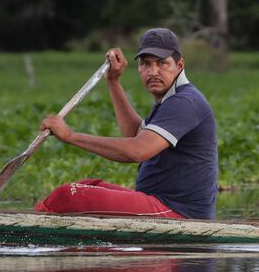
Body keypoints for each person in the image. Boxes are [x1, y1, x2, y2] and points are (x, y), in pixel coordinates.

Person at [36, 28, 218, 219]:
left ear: (179, 65)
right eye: (145, 64)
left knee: (69, 195)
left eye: (162, 63)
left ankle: (30, 231)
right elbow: (134, 134)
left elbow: (137, 150)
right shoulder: (169, 100)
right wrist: (113, 81)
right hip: (156, 201)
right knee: (89, 185)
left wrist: (70, 136)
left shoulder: (185, 102)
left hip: (178, 212)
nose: (153, 71)